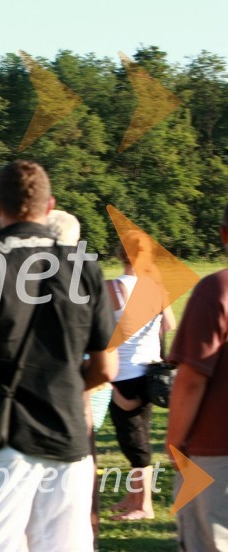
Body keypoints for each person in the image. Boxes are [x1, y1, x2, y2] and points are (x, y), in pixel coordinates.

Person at [0, 160, 118, 551]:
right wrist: (63, 389)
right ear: (49, 206)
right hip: (67, 437)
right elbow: (106, 367)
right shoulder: (85, 267)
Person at [166, 203, 228, 552]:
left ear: (223, 235)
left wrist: (175, 442)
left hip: (217, 451)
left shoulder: (217, 288)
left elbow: (192, 379)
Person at [105, 231, 175, 521]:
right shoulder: (157, 288)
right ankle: (133, 496)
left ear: (120, 255)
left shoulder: (112, 288)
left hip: (123, 374)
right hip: (150, 372)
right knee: (137, 434)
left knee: (134, 441)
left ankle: (143, 505)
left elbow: (95, 330)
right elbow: (168, 324)